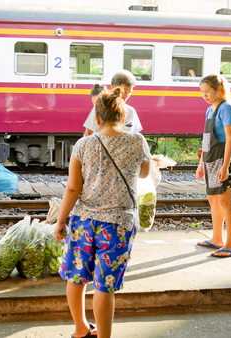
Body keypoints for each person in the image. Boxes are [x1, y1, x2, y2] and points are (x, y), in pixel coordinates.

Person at [55, 87, 150, 338]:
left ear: (97, 119)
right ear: (123, 117)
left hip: (84, 220)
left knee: (76, 278)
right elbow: (144, 173)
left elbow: (74, 188)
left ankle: (80, 330)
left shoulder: (83, 144)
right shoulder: (136, 141)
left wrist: (60, 220)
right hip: (118, 224)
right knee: (104, 285)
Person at [196, 74, 231, 258]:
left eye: (207, 91)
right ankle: (217, 239)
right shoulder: (210, 110)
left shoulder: (228, 108)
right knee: (213, 199)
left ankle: (230, 245)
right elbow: (206, 140)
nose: (204, 95)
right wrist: (201, 164)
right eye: (202, 92)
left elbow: (230, 139)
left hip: (225, 161)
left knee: (225, 201)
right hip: (211, 159)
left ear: (219, 90)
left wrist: (225, 165)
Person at [83, 70, 142, 134]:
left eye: (129, 92)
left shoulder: (131, 112)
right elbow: (88, 133)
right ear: (112, 88)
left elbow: (135, 136)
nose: (126, 96)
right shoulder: (98, 108)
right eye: (124, 92)